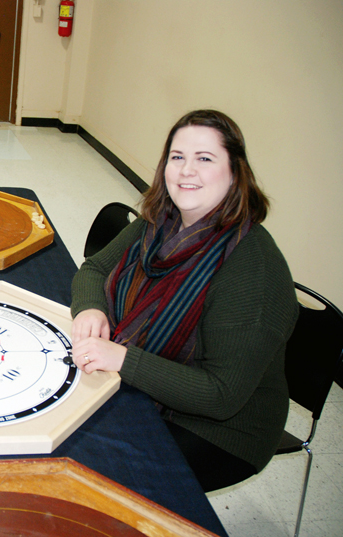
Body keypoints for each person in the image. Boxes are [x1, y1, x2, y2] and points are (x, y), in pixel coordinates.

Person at [70, 110, 298, 491]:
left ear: (235, 172)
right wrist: (91, 307)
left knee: (90, 470)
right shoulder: (161, 221)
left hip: (221, 431)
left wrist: (124, 359)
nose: (186, 171)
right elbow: (94, 270)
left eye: (204, 159)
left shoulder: (252, 268)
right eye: (177, 157)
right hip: (152, 375)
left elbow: (221, 395)